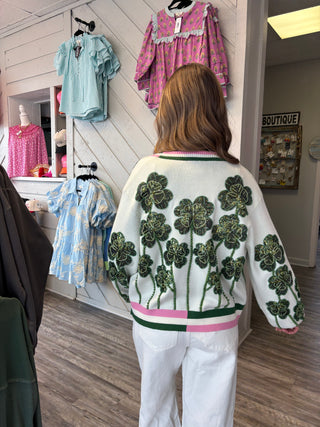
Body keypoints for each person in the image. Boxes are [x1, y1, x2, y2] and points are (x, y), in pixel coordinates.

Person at [108, 63, 304, 427]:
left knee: (154, 412)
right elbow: (266, 249)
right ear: (217, 111)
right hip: (215, 322)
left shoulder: (145, 172)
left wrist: (133, 294)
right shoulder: (238, 178)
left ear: (166, 112)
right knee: (212, 419)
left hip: (154, 320)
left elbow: (120, 250)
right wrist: (284, 309)